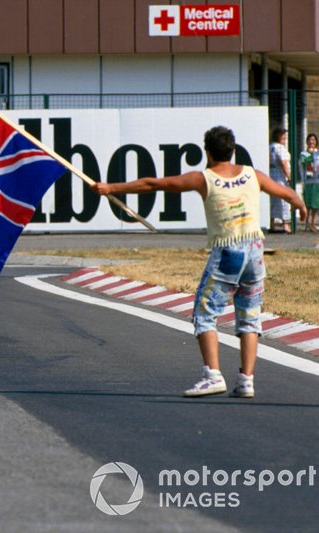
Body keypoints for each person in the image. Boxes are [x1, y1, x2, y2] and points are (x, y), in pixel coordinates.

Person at [91, 126, 307, 398]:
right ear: (234, 151)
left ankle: (213, 375)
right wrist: (300, 204)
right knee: (250, 317)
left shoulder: (205, 179)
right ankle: (246, 380)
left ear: (207, 152)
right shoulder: (254, 175)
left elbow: (154, 184)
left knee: (205, 314)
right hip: (255, 252)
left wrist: (111, 187)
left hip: (228, 251)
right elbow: (285, 193)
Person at [268, 126, 293, 233]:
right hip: (280, 176)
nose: (285, 138)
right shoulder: (280, 148)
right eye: (283, 136)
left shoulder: (270, 147)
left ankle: (272, 223)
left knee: (273, 200)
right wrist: (288, 176)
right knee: (283, 199)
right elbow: (283, 163)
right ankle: (285, 225)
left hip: (271, 174)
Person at [300, 133, 319, 232]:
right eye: (309, 140)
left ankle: (313, 223)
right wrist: (312, 155)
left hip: (317, 181)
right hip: (308, 181)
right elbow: (309, 166)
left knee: (315, 204)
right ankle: (307, 224)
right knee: (308, 203)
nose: (311, 142)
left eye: (313, 140)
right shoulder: (304, 154)